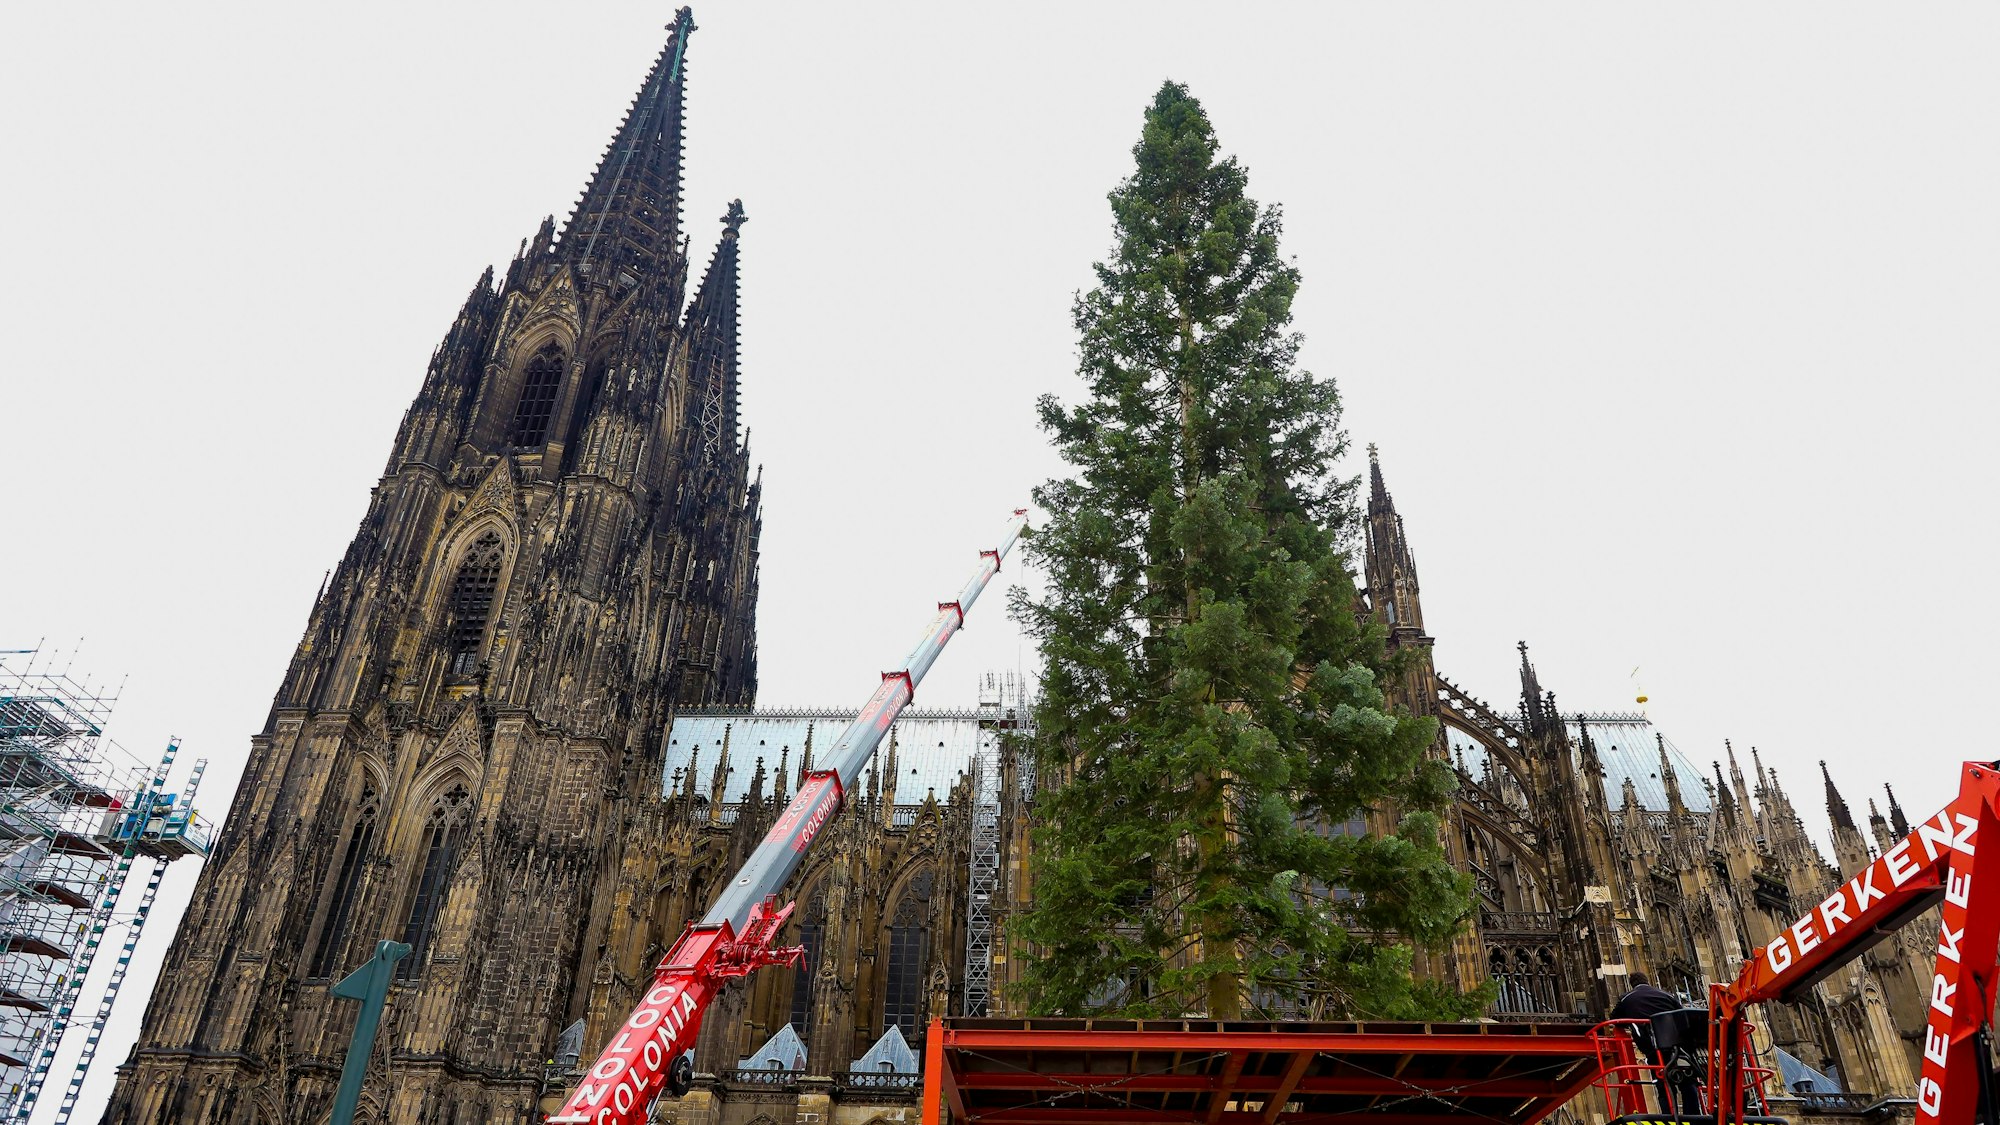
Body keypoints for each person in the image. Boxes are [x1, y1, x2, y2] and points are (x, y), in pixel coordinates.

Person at [1611, 974, 1702, 1115]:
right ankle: (1694, 1114)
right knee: (1687, 1080)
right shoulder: (1666, 995)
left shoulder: (1627, 998)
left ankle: (1669, 1115)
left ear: (1632, 984)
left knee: (1663, 1083)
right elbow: (1681, 1013)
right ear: (1647, 981)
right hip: (1678, 1046)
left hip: (1654, 1047)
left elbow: (1615, 1019)